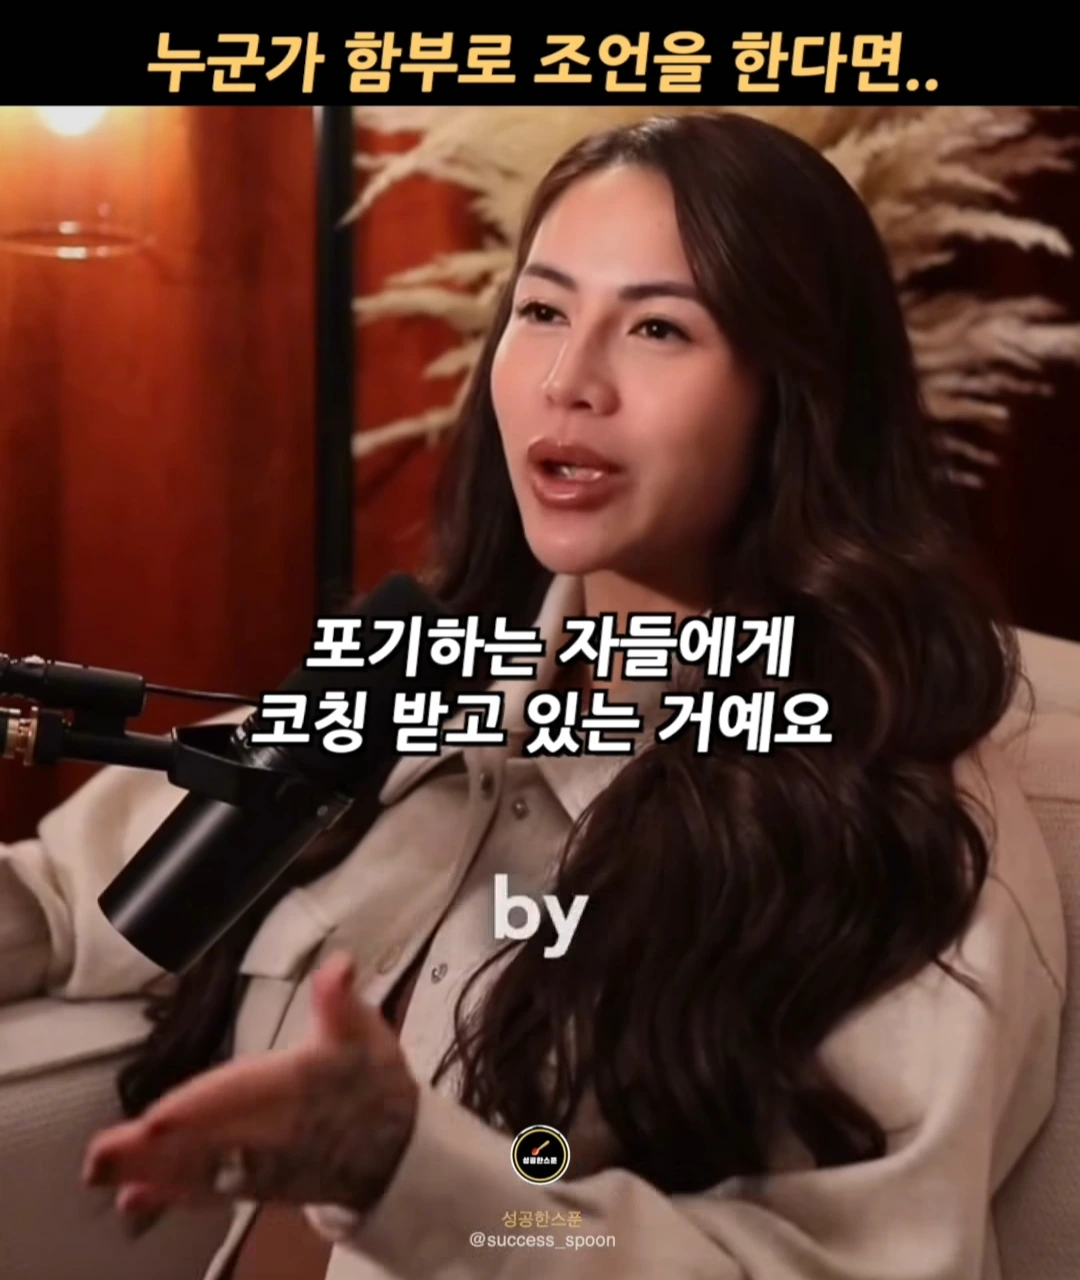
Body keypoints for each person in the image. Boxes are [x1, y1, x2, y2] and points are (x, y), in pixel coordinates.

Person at [0, 111, 1066, 1280]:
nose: (568, 380)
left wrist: (409, 1177)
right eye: (544, 311)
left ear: (796, 393)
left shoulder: (889, 816)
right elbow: (64, 900)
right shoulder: (420, 672)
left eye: (658, 327)